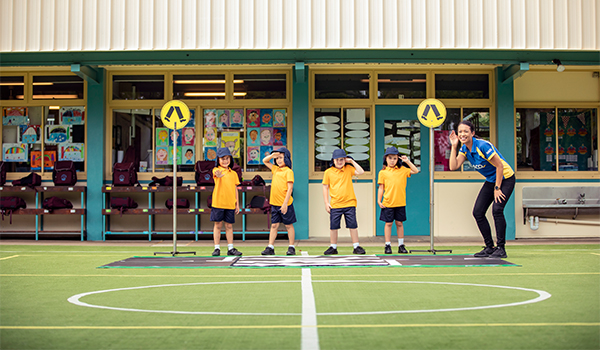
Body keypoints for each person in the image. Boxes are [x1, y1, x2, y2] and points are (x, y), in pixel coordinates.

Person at [449, 120, 515, 258]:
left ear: (472, 133)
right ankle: (489, 246)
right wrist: (454, 147)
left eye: (466, 131)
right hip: (491, 180)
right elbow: (453, 167)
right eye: (460, 131)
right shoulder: (464, 149)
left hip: (505, 178)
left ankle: (501, 248)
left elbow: (500, 166)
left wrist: (497, 188)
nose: (462, 134)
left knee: (497, 210)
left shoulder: (483, 146)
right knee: (478, 212)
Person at [322, 149, 366, 255]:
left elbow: (361, 172)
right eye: (337, 159)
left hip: (349, 203)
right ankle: (333, 247)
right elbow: (325, 187)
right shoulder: (328, 172)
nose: (340, 162)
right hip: (335, 204)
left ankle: (356, 246)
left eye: (342, 159)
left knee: (353, 226)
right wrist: (326, 202)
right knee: (333, 226)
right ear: (333, 160)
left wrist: (351, 162)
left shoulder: (348, 169)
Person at [377, 147, 419, 254]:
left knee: (399, 223)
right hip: (388, 202)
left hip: (400, 202)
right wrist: (379, 200)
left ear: (398, 159)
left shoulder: (403, 170)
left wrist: (407, 161)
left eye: (395, 158)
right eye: (390, 158)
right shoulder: (383, 172)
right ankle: (387, 245)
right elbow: (381, 187)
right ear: (386, 159)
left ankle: (401, 245)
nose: (392, 160)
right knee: (388, 223)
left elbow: (416, 170)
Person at [261, 147, 296, 256]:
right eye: (277, 158)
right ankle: (270, 247)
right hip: (274, 204)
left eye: (281, 157)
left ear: (286, 158)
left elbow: (290, 189)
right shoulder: (275, 169)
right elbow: (264, 161)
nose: (279, 160)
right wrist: (272, 156)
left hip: (286, 204)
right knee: (274, 225)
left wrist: (285, 203)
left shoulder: (289, 171)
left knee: (288, 225)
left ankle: (291, 247)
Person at [210, 148, 242, 256]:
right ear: (218, 160)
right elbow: (216, 172)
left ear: (230, 159)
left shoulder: (233, 174)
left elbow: (235, 189)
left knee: (229, 226)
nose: (225, 161)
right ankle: (217, 248)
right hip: (218, 203)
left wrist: (237, 203)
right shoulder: (216, 170)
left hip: (230, 203)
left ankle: (230, 248)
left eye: (227, 158)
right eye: (222, 159)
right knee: (217, 225)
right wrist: (218, 174)